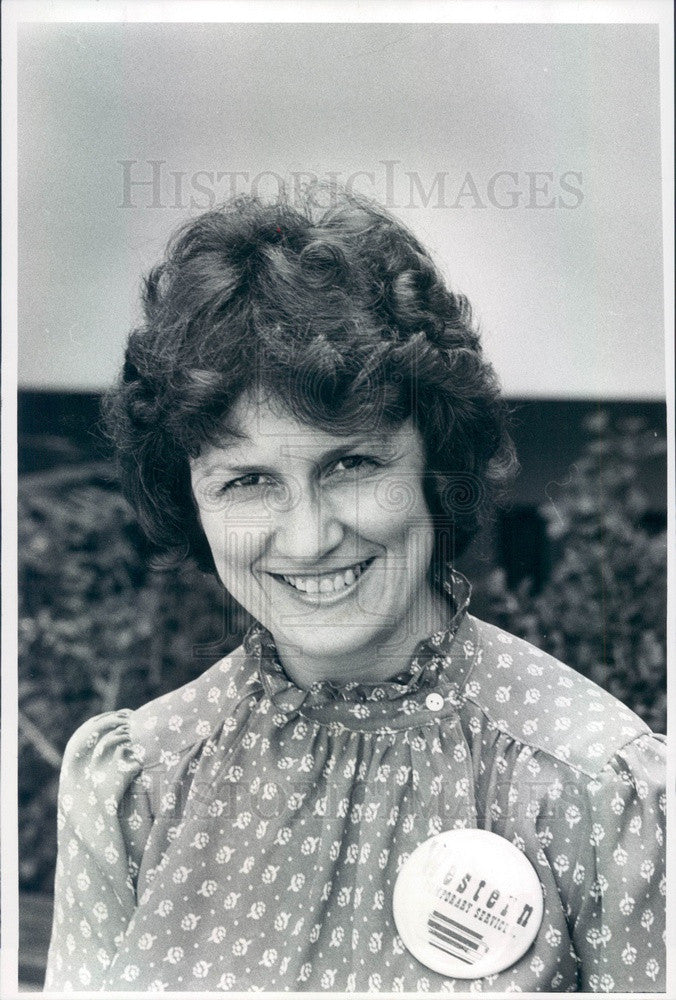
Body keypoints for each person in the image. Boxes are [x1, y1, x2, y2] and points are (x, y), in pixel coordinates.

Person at [44, 189, 665, 993]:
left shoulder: (602, 796)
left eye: (352, 464)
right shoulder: (136, 786)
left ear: (434, 467)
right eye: (246, 481)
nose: (307, 539)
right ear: (190, 501)